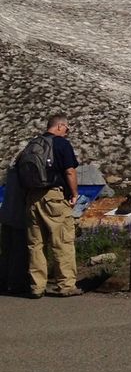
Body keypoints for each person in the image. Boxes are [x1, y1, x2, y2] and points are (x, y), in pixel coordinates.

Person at [24, 113, 81, 298]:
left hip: (32, 197)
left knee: (36, 243)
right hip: (54, 197)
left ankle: (36, 286)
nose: (67, 131)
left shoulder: (33, 144)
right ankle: (65, 284)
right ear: (58, 126)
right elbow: (70, 171)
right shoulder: (61, 144)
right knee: (62, 240)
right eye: (67, 128)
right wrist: (74, 194)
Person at [0, 161, 30, 294]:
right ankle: (16, 283)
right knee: (19, 251)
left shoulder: (13, 170)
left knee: (7, 251)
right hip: (19, 215)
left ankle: (4, 280)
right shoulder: (26, 171)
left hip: (7, 213)